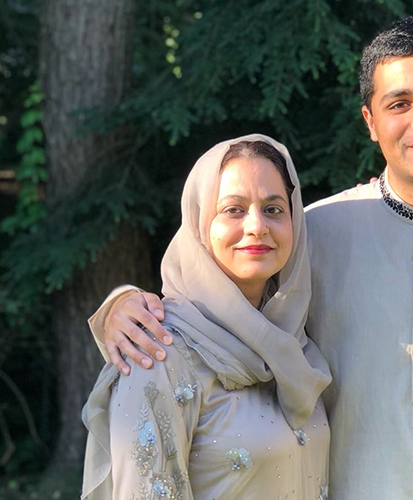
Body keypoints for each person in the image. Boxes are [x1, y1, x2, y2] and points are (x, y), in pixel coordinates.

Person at [89, 17, 413, 500]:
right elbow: (220, 301)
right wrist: (121, 305)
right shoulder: (313, 233)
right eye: (399, 103)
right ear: (370, 120)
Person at [81, 135, 332, 500]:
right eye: (234, 209)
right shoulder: (159, 353)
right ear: (200, 224)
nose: (257, 226)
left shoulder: (297, 344)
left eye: (274, 209)